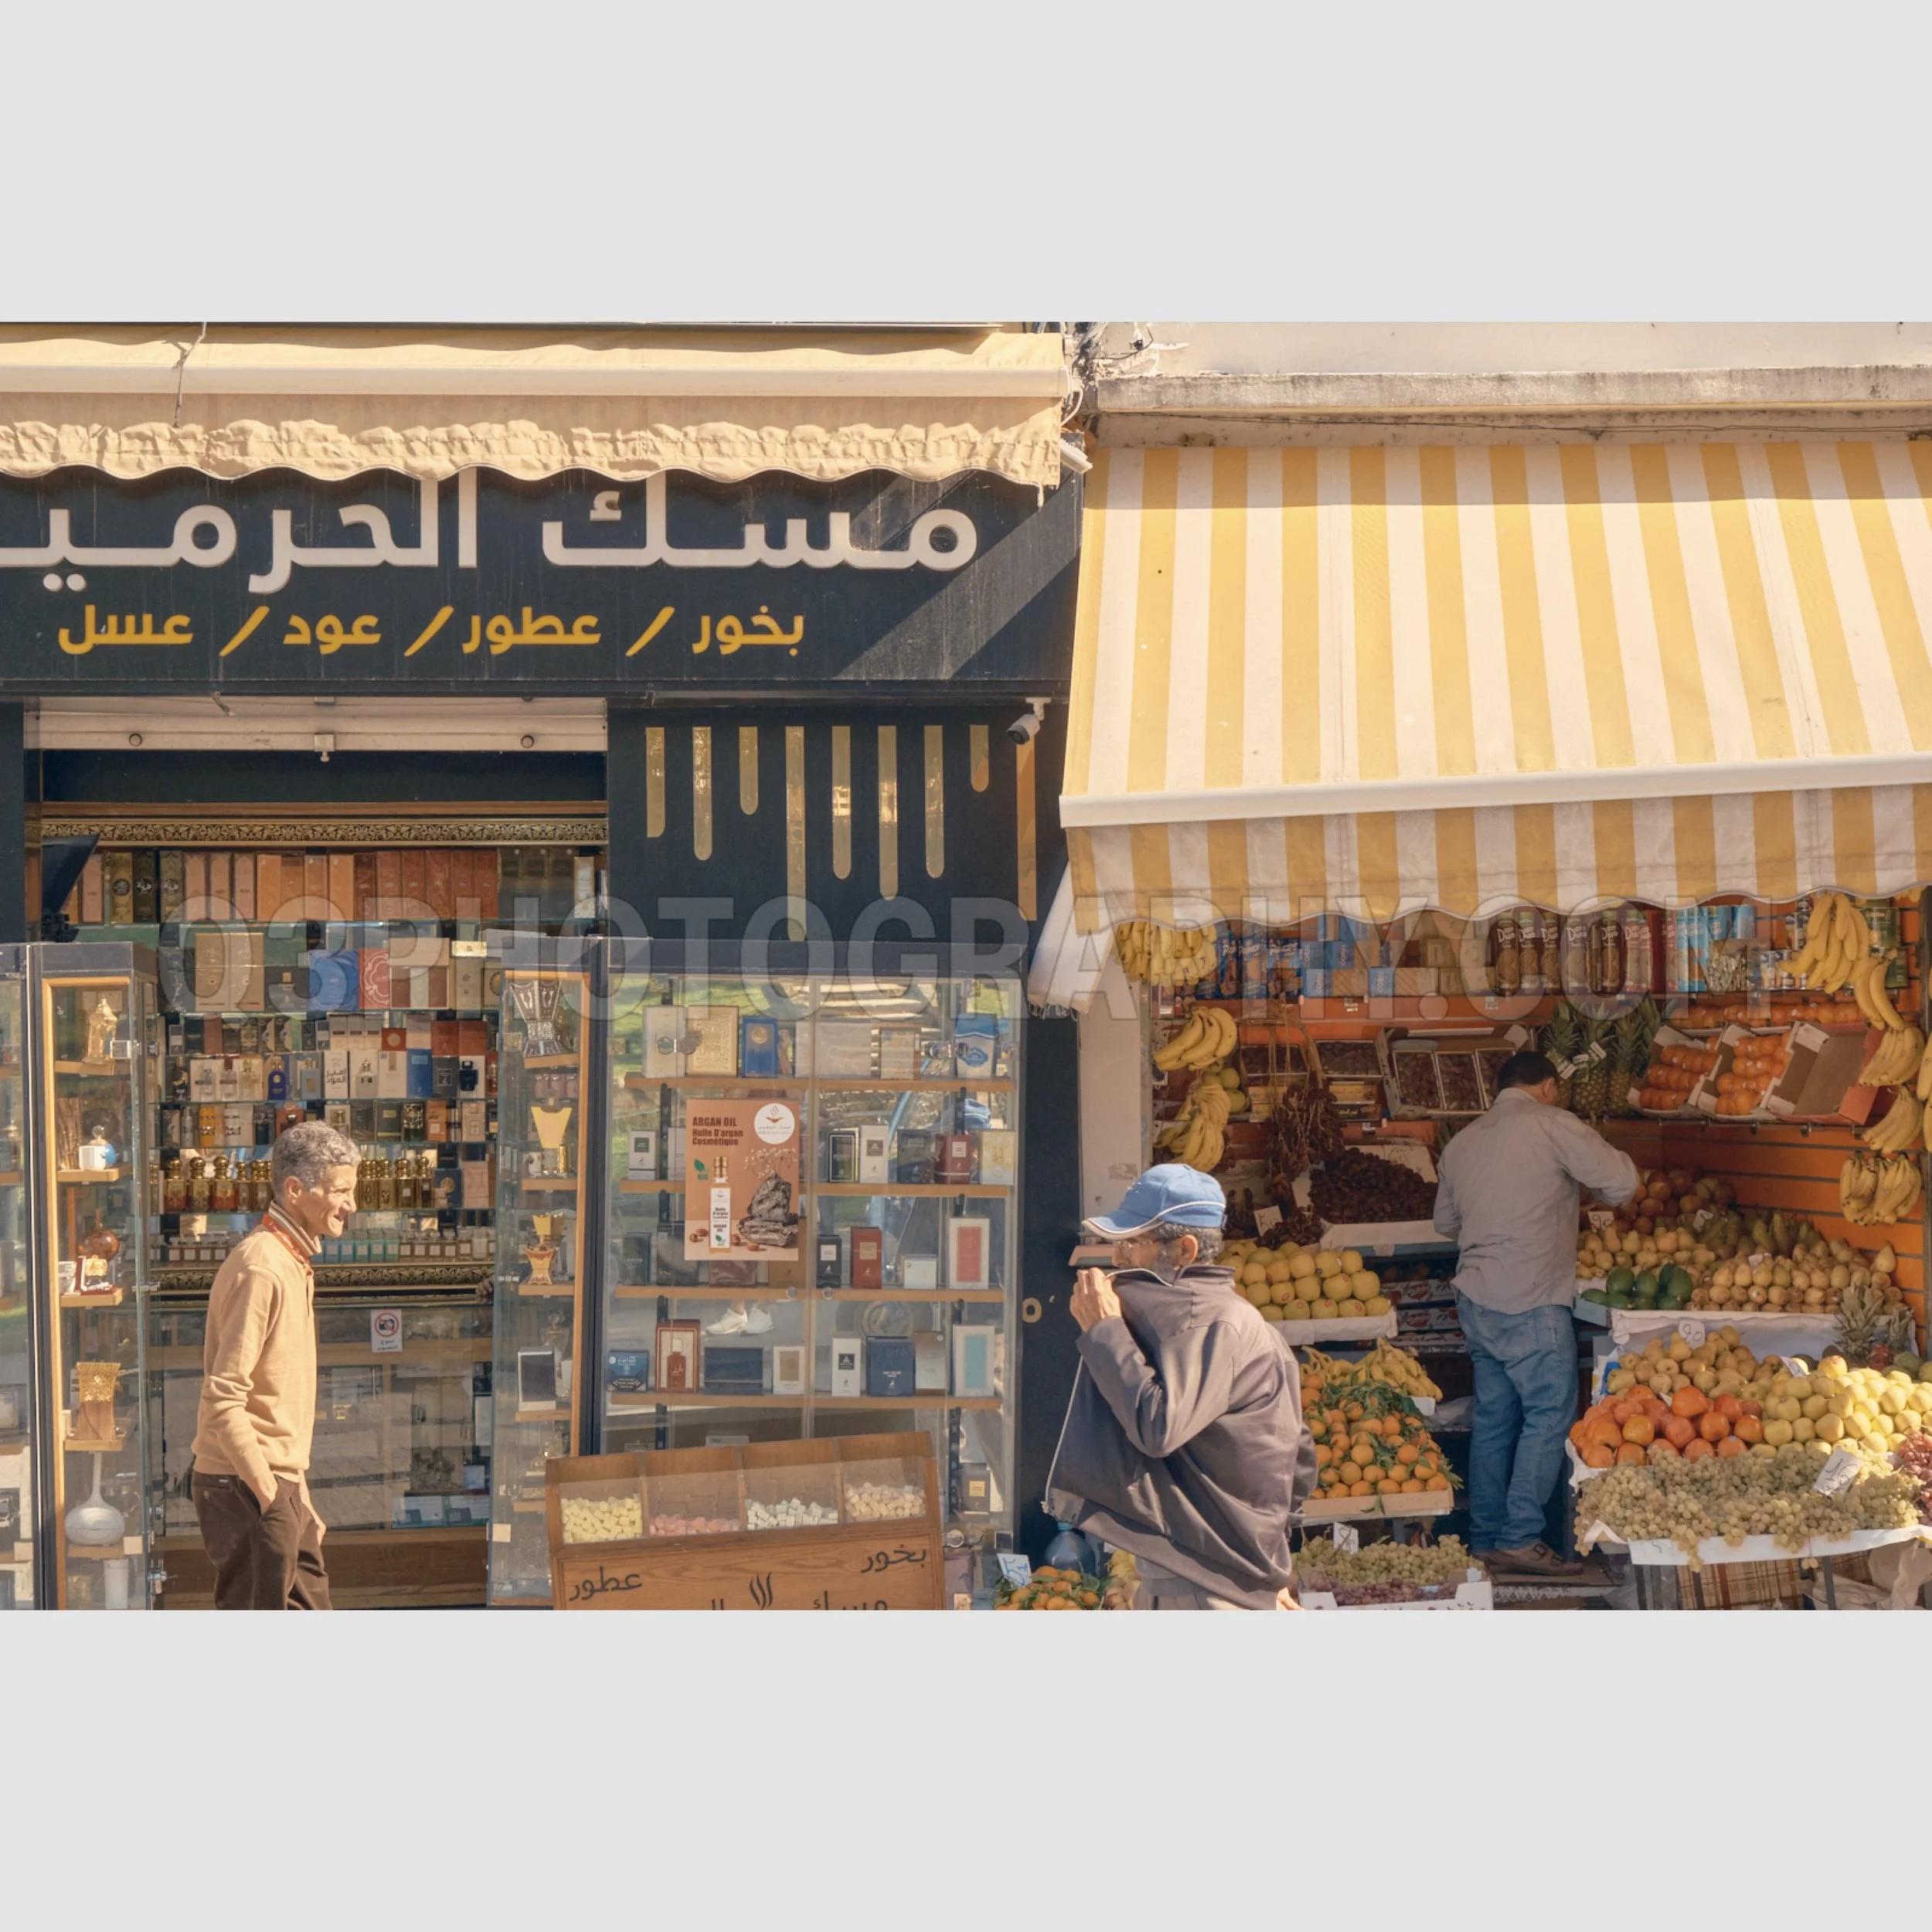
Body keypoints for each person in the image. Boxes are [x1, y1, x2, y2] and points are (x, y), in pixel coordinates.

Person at [1046, 1164, 1311, 1609]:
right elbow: (1297, 1458)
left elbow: (1159, 1427)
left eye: (1132, 1244)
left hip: (1208, 1588)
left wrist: (1106, 1331)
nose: (1118, 1259)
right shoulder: (1207, 1320)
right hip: (1190, 1579)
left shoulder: (1213, 1324)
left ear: (1184, 1249)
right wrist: (1273, 1568)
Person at [1433, 1049, 1638, 1580]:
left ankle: (1485, 1539)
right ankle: (1521, 1537)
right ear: (1548, 1087)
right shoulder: (1552, 1124)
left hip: (1477, 1298)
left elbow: (1445, 1223)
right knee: (1548, 1415)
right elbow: (1623, 1184)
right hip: (1529, 1298)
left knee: (1495, 1420)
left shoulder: (1462, 1142)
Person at [191, 1121, 359, 1610]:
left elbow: (273, 1402)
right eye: (340, 1191)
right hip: (247, 1485)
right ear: (295, 1190)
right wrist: (270, 1496)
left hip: (272, 1485)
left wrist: (297, 1497)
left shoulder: (290, 1259)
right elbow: (223, 1397)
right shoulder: (262, 1267)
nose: (351, 1205)